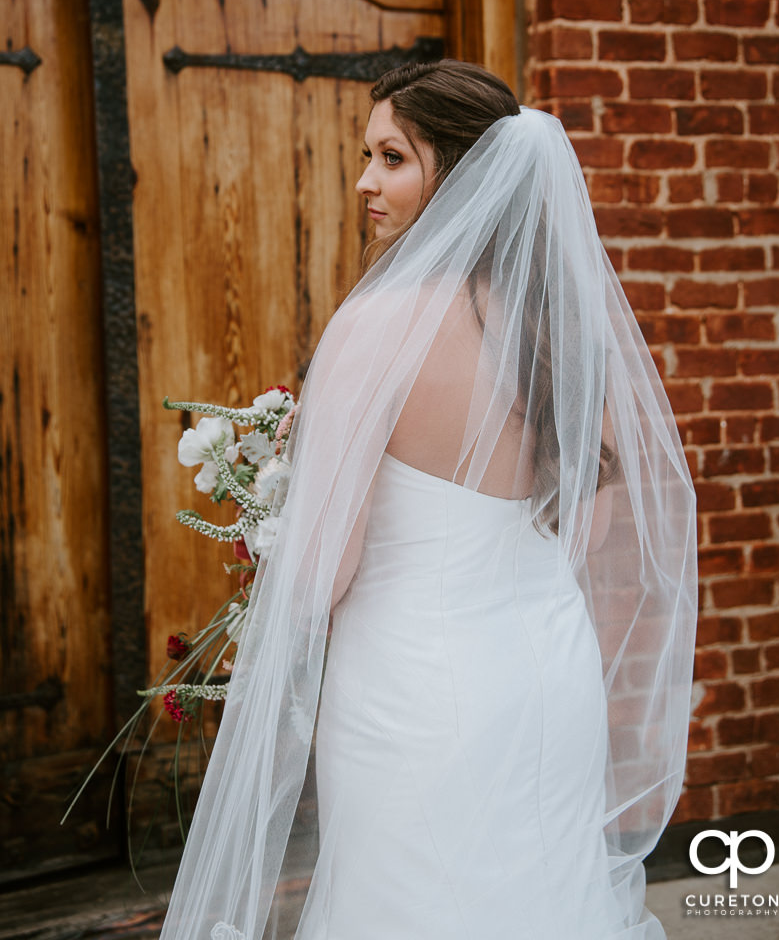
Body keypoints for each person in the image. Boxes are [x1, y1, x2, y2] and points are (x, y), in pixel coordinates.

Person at [158, 60, 697, 940]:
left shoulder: (375, 327)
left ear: (462, 172)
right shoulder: (562, 325)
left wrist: (275, 529)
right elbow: (586, 524)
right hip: (547, 685)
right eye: (366, 156)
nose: (365, 181)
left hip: (411, 697)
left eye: (392, 158)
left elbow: (322, 573)